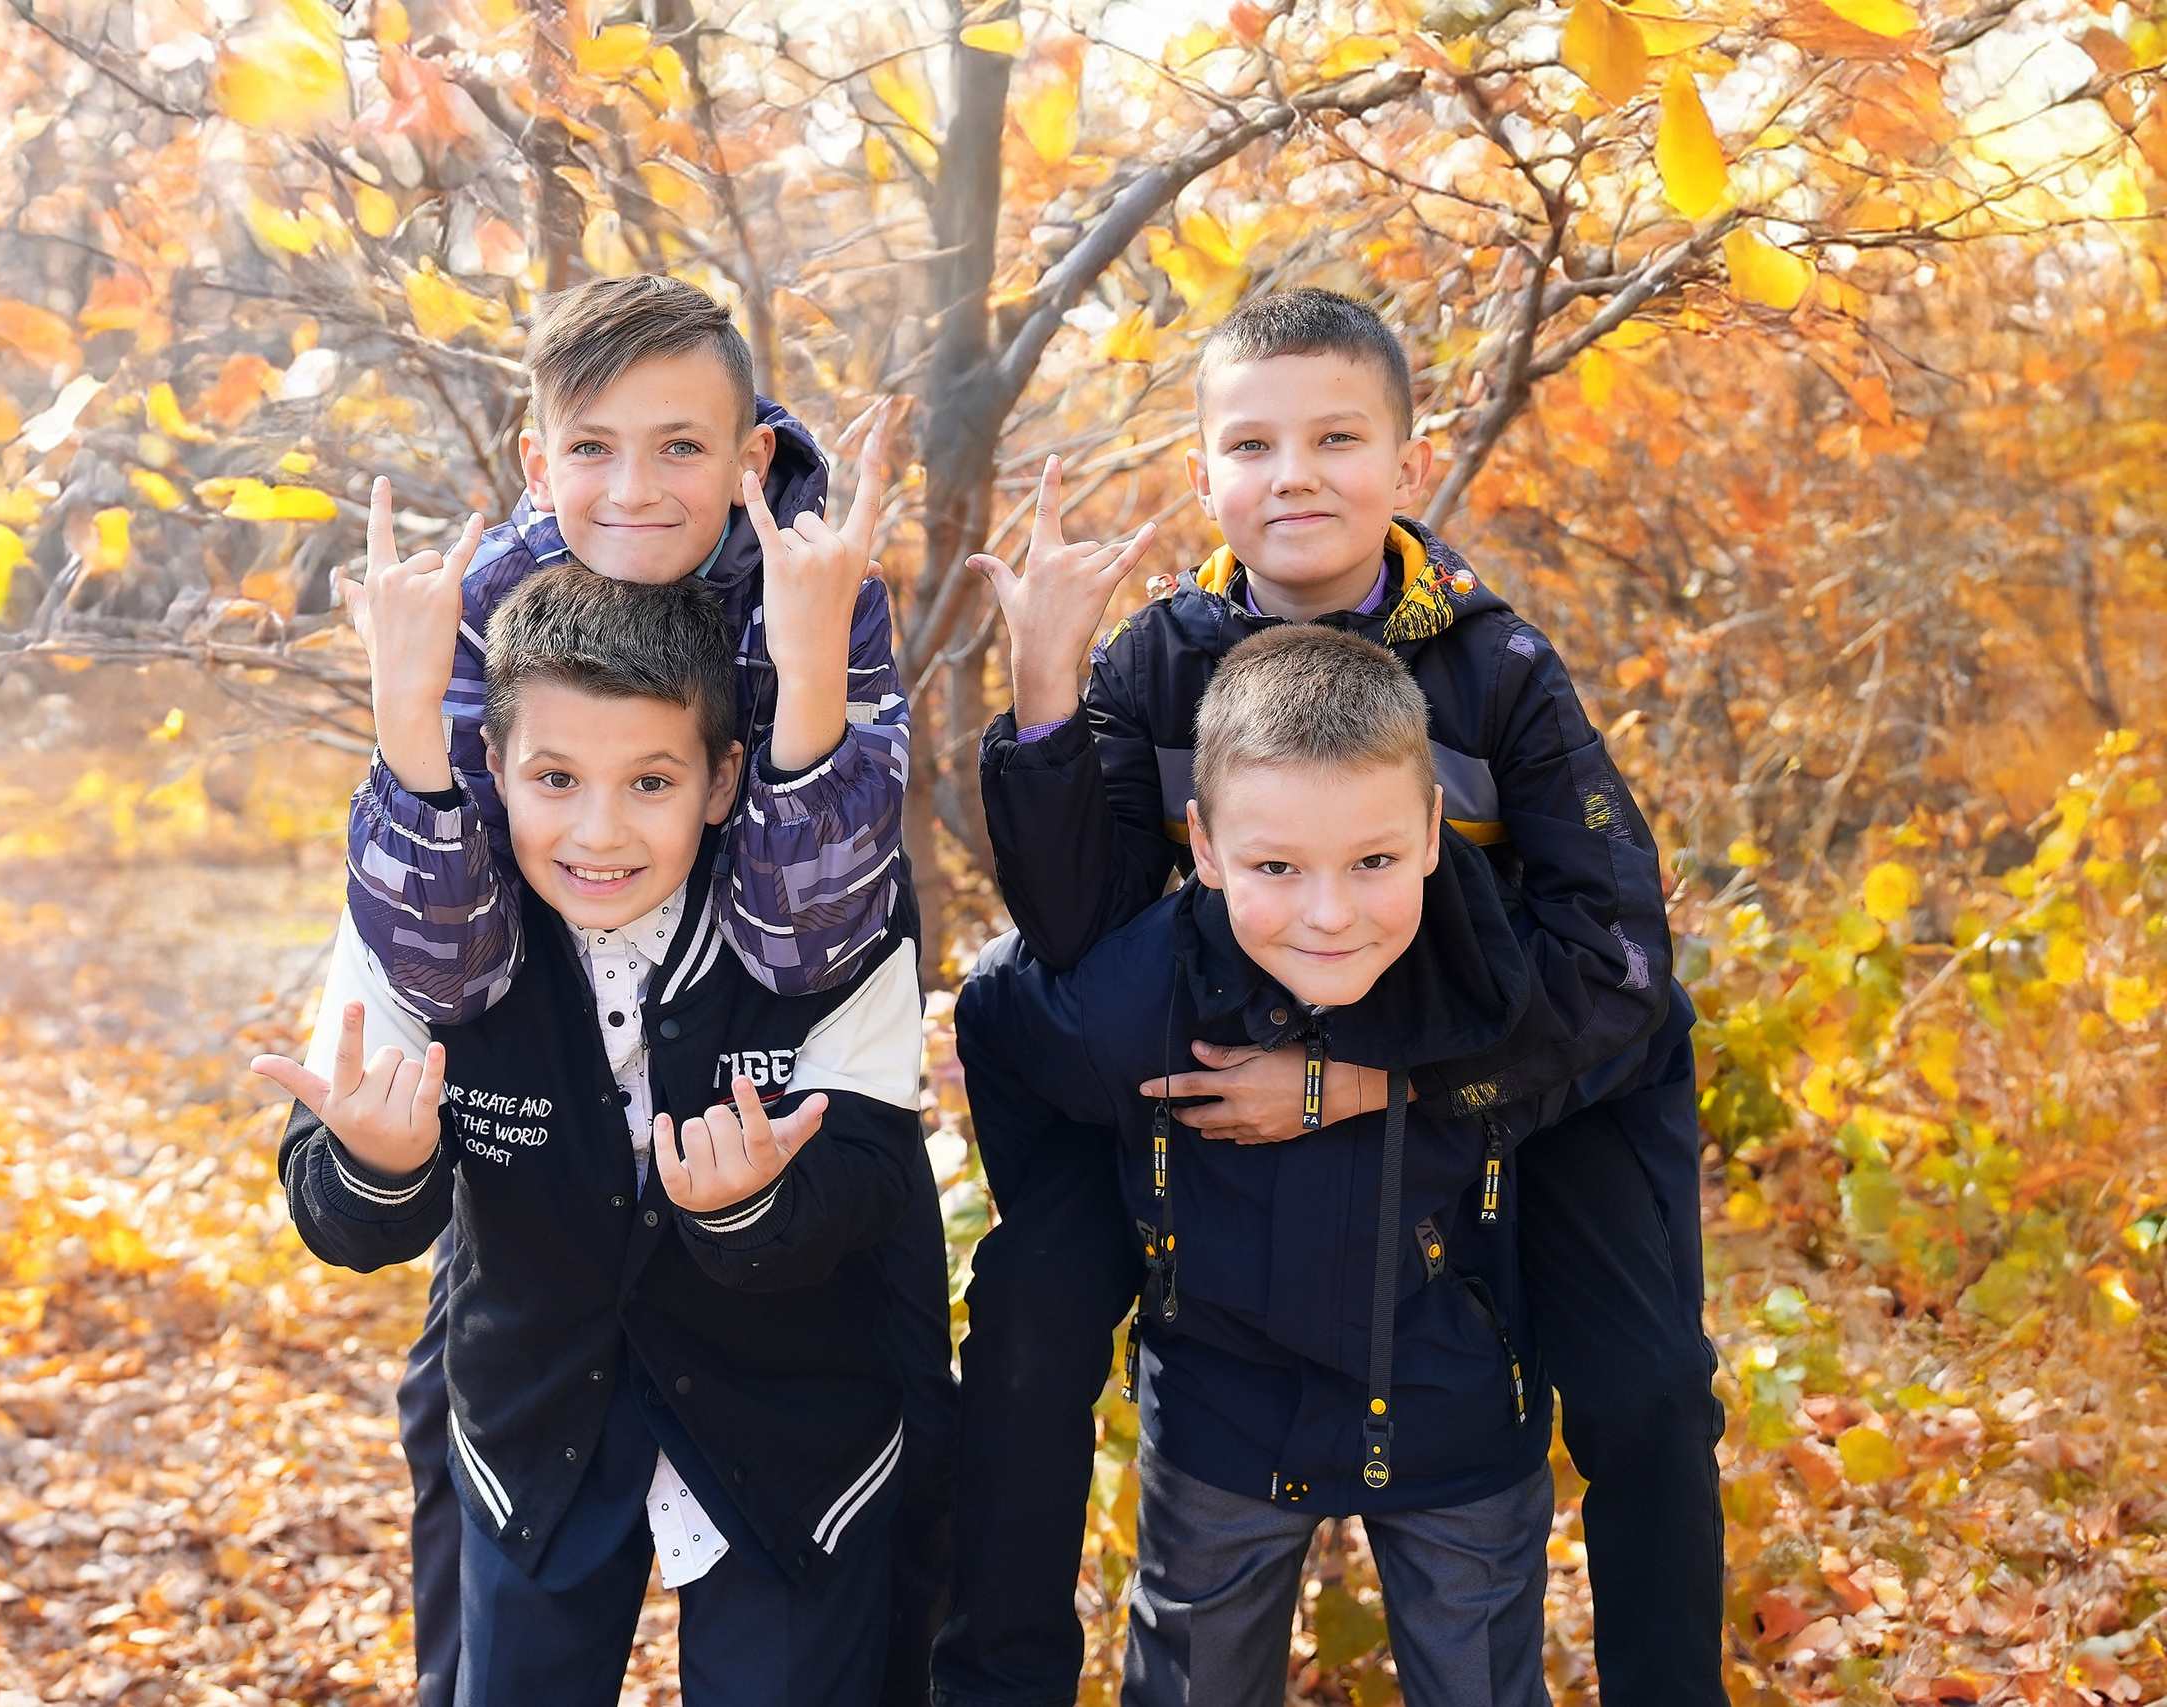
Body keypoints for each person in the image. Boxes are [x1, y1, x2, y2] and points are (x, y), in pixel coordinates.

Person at [937, 288, 1722, 1707]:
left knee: (1649, 1381)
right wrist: (1044, 682)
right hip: (1234, 1050)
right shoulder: (1159, 657)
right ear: (1206, 474)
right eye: (1253, 443)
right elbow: (1074, 927)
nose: (1293, 472)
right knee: (1031, 1317)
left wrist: (1385, 1087)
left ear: (1406, 464)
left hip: (1513, 1068)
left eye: (1337, 437)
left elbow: (1616, 958)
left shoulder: (1500, 670)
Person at [340, 275, 952, 1705]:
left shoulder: (815, 582)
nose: (636, 488)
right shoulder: (490, 602)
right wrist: (411, 740)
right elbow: (458, 937)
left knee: (859, 1537)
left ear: (746, 456)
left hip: (770, 1095)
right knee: (480, 1469)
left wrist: (805, 681)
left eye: (683, 446)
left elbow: (812, 940)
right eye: (595, 446)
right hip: (555, 1147)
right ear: (536, 456)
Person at [260, 567, 928, 1707]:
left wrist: (752, 1208)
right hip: (535, 1415)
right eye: (555, 779)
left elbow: (870, 1172)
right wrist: (379, 1165)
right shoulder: (422, 911)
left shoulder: (828, 901)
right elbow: (345, 1217)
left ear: (722, 780)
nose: (600, 830)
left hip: (788, 1420)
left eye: (650, 781)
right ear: (495, 773)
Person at [962, 625, 1552, 1706]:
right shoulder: (1138, 995)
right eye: (1276, 867)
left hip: (1451, 1400)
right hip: (1222, 1418)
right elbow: (997, 1021)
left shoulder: (1498, 955)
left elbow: (1611, 1041)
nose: (1330, 916)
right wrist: (1094, 1219)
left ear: (1431, 833)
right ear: (1208, 846)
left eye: (1372, 861)